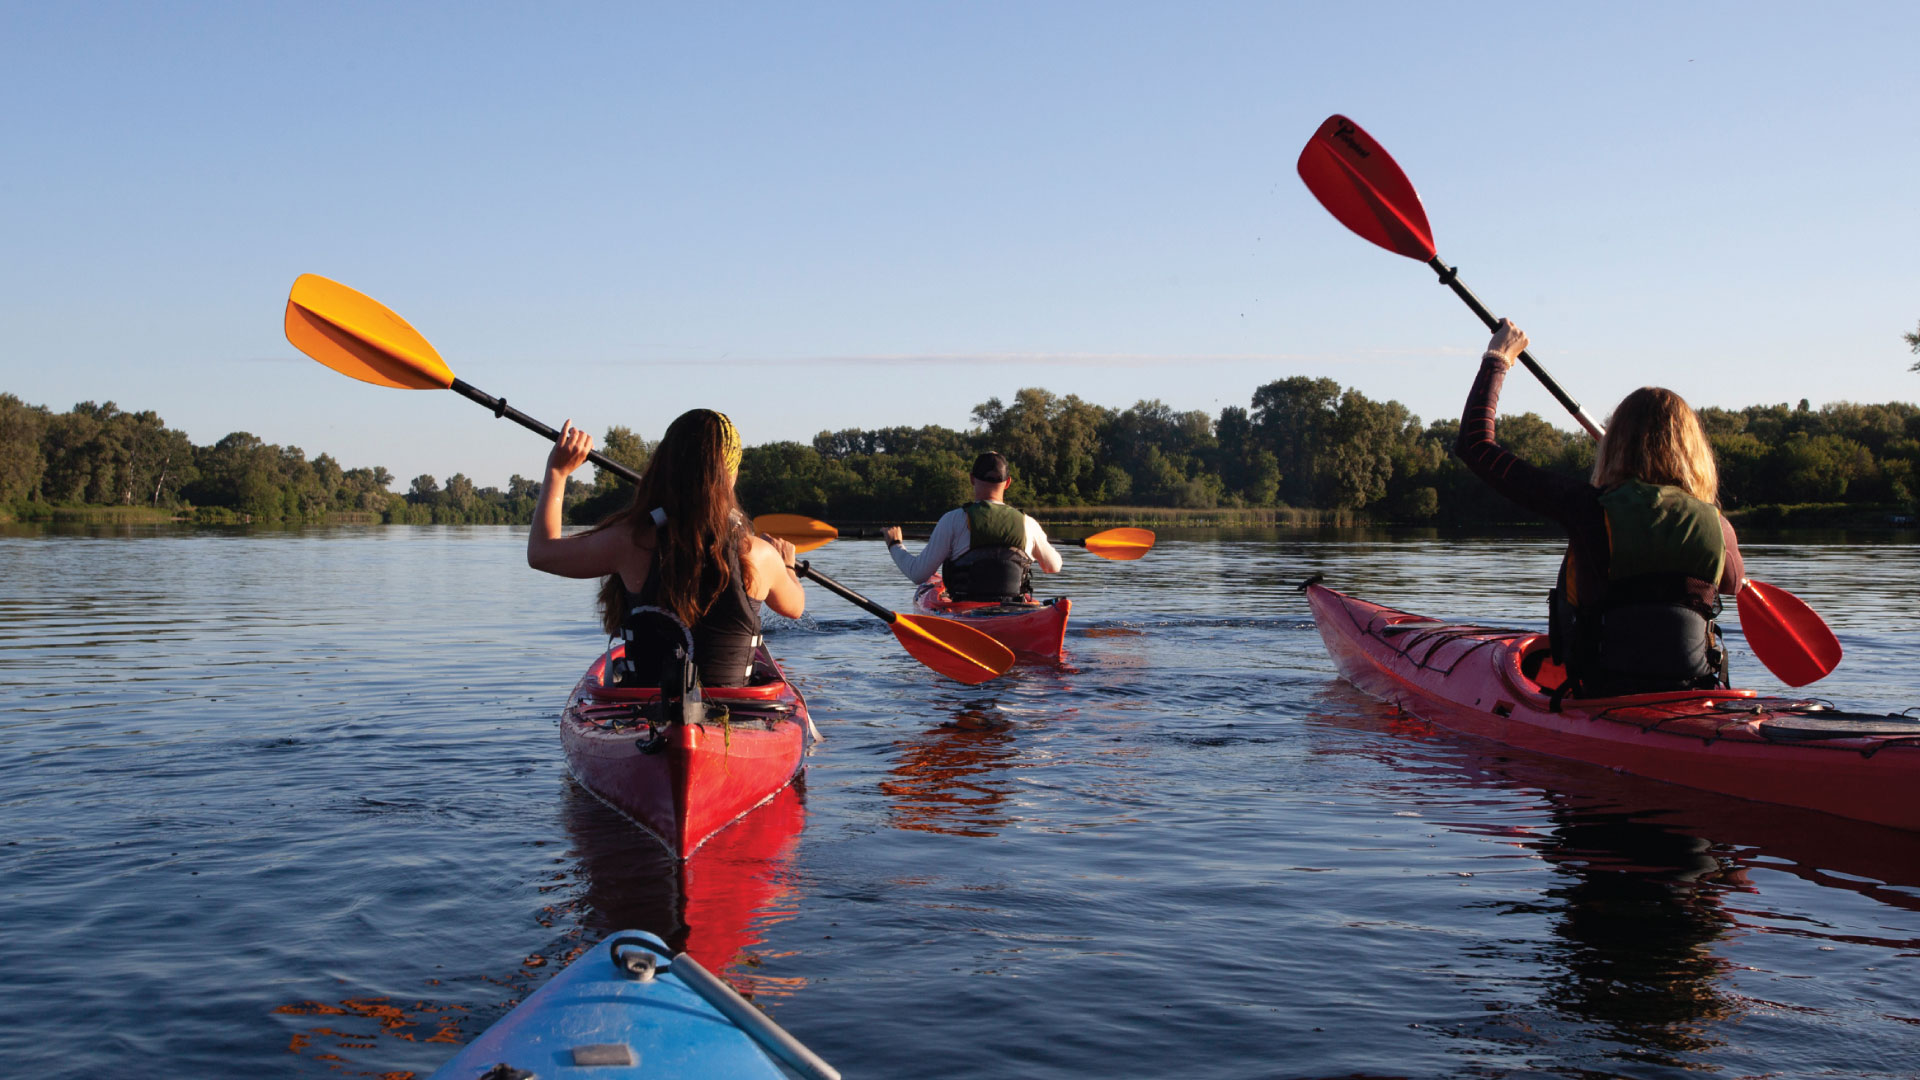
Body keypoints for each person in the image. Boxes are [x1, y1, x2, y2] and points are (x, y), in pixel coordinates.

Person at [1458, 320, 1745, 698]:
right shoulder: (1718, 527)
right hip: (1694, 693)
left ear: (1614, 445)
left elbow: (1476, 446)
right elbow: (1733, 585)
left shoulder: (1587, 508)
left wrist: (1498, 358)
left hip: (1602, 693)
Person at [526, 409, 803, 688]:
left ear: (664, 466)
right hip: (737, 715)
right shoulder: (758, 554)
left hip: (645, 716)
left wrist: (558, 472)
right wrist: (787, 565)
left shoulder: (630, 542)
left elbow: (541, 553)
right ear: (731, 474)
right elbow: (795, 607)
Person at [883, 451, 1064, 603]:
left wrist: (895, 544)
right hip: (1013, 610)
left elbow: (918, 574)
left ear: (972, 479)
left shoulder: (953, 520)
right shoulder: (1028, 524)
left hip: (965, 614)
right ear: (1008, 482)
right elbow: (1053, 566)